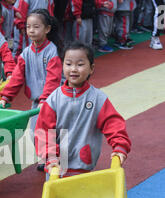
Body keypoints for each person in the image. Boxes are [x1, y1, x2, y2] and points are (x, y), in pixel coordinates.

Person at [34, 41, 131, 177]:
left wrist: (120, 146)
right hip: (56, 167)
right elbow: (43, 131)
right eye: (68, 64)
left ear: (91, 68)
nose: (73, 69)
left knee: (83, 197)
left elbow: (113, 123)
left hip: (83, 166)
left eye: (80, 65)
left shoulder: (97, 98)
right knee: (56, 197)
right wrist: (50, 157)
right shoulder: (54, 99)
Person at [0, 9, 63, 170]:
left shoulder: (52, 51)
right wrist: (6, 97)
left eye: (36, 27)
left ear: (47, 29)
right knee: (35, 131)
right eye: (28, 27)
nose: (31, 31)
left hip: (54, 100)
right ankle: (45, 157)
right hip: (38, 101)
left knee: (55, 130)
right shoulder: (26, 53)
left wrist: (45, 98)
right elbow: (17, 77)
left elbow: (53, 78)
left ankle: (55, 157)